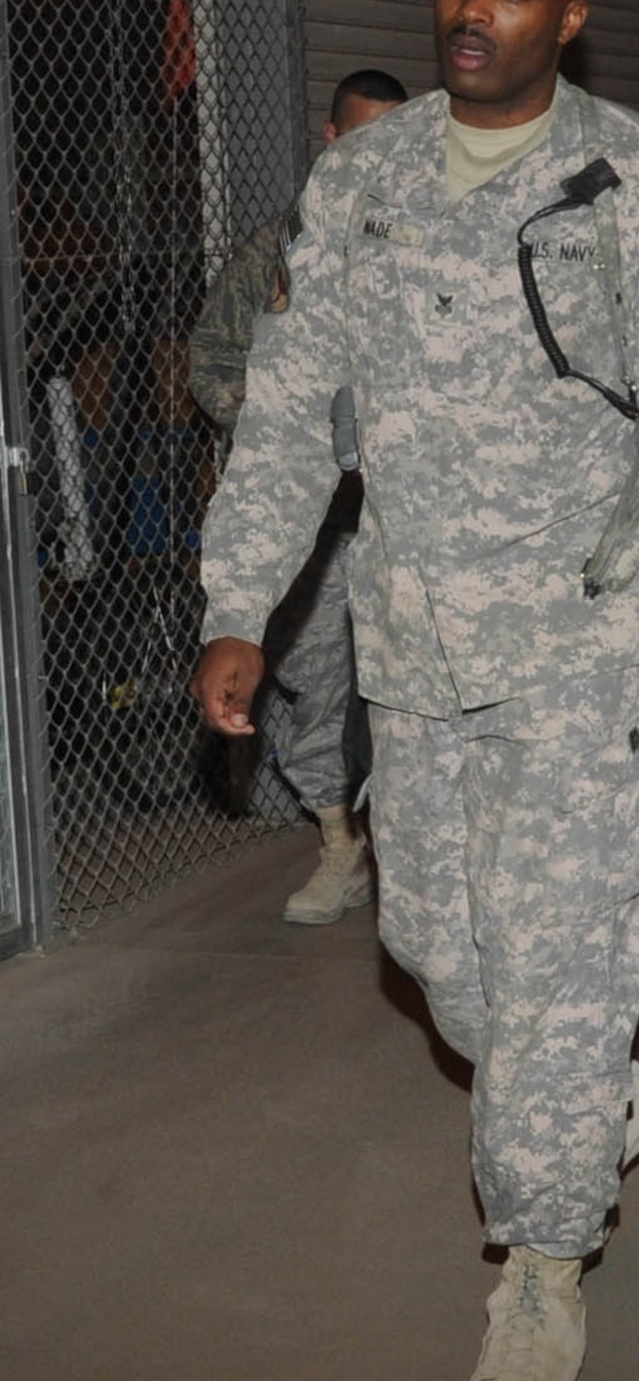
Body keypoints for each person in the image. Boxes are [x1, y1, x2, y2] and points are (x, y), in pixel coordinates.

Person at [192, 0, 639, 1381]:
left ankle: (540, 1270)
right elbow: (289, 396)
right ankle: (582, 1101)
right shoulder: (363, 180)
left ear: (569, 17)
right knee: (441, 960)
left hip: (589, 651)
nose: (475, 10)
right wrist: (240, 599)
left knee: (558, 965)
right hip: (413, 647)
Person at [188, 70, 408, 918]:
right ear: (328, 138)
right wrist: (295, 425)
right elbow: (211, 360)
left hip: (400, 522)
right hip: (309, 530)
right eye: (359, 138)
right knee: (315, 683)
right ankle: (339, 846)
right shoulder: (280, 247)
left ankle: (412, 850)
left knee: (404, 688)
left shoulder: (427, 239)